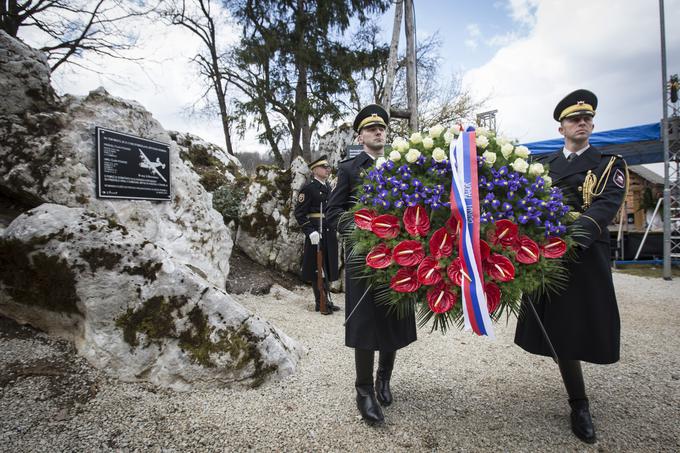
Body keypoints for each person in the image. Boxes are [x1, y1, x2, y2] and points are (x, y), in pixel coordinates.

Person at [514, 89, 628, 444]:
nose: (583, 123)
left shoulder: (609, 163)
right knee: (559, 327)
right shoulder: (544, 167)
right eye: (575, 119)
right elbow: (523, 205)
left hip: (584, 254)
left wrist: (567, 236)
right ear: (561, 127)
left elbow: (605, 205)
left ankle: (579, 404)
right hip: (548, 258)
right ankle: (578, 401)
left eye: (587, 118)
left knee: (583, 323)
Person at [326, 104, 417, 424]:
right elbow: (335, 213)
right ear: (360, 135)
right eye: (371, 129)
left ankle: (384, 379)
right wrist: (360, 230)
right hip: (364, 259)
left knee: (393, 317)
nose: (379, 132)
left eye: (382, 128)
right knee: (365, 322)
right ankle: (363, 390)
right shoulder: (350, 169)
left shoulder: (400, 166)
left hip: (399, 258)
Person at [294, 155, 340, 314]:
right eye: (323, 167)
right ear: (314, 170)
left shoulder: (328, 187)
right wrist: (310, 231)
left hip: (329, 232)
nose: (327, 169)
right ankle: (319, 302)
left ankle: (326, 300)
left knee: (326, 266)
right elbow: (299, 213)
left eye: (327, 167)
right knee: (317, 268)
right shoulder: (308, 188)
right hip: (316, 233)